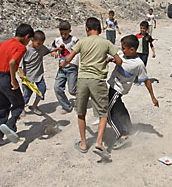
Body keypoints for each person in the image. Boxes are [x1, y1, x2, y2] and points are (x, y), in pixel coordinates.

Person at [60, 17, 122, 160]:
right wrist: (110, 60)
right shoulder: (106, 43)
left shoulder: (81, 42)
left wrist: (62, 64)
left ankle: (83, 143)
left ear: (87, 29)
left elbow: (68, 59)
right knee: (103, 113)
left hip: (82, 80)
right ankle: (99, 142)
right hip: (98, 80)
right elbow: (119, 61)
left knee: (81, 112)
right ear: (100, 29)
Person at [107, 35, 159, 149]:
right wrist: (109, 59)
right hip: (113, 87)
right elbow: (113, 58)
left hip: (117, 89)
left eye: (124, 48)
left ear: (132, 49)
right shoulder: (122, 55)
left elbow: (146, 80)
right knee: (119, 108)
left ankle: (123, 134)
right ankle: (129, 128)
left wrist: (153, 97)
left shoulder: (139, 64)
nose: (122, 50)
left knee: (108, 113)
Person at [0, 23, 34, 144]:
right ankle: (10, 125)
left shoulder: (5, 43)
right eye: (29, 40)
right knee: (19, 104)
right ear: (26, 36)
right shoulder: (21, 47)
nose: (28, 43)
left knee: (2, 107)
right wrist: (13, 80)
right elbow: (13, 62)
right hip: (6, 77)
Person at [18, 30, 53, 116]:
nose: (40, 46)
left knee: (41, 90)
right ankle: (21, 108)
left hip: (39, 75)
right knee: (27, 94)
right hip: (28, 77)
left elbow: (49, 50)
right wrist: (21, 73)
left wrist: (55, 51)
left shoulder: (41, 48)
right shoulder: (26, 50)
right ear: (32, 40)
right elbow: (19, 64)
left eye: (41, 44)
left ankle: (34, 106)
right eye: (38, 43)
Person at [52, 21, 79, 114]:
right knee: (57, 88)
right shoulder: (57, 40)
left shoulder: (74, 40)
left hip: (72, 68)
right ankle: (67, 106)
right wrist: (54, 52)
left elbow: (80, 50)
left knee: (72, 90)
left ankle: (82, 97)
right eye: (61, 33)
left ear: (70, 31)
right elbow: (53, 48)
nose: (63, 36)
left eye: (65, 33)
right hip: (62, 68)